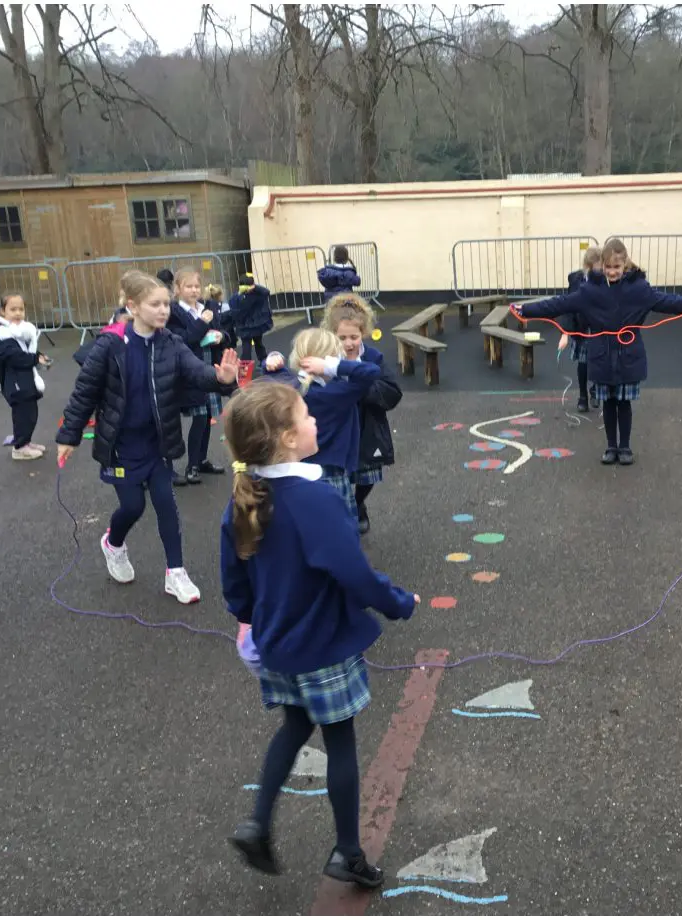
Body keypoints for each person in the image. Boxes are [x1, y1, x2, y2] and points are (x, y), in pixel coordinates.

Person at [220, 381, 419, 885]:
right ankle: (348, 852)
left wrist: (254, 620)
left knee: (293, 726)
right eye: (306, 416)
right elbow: (354, 573)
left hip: (277, 644)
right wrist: (399, 603)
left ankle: (258, 822)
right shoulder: (314, 499)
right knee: (340, 741)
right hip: (324, 646)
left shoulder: (246, 498)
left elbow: (235, 581)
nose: (315, 422)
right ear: (287, 438)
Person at [56, 270, 239, 605]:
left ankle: (176, 572)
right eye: (155, 304)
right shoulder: (110, 345)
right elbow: (84, 392)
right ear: (133, 306)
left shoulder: (171, 343)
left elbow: (196, 372)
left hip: (157, 442)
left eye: (166, 304)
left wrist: (221, 379)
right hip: (121, 445)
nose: (163, 310)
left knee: (166, 503)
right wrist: (69, 435)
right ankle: (113, 543)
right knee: (133, 506)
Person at [515, 237, 682, 466]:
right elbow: (559, 304)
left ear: (625, 264)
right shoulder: (590, 291)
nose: (612, 271)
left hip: (628, 354)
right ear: (602, 265)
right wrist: (526, 310)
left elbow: (672, 301)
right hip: (601, 354)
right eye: (608, 266)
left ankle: (625, 447)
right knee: (608, 402)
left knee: (624, 403)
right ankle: (610, 446)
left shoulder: (639, 289)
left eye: (617, 266)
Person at [262, 329, 382, 526]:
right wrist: (331, 366)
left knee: (308, 526)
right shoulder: (337, 392)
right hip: (332, 474)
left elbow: (271, 377)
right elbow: (372, 371)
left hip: (298, 470)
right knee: (341, 528)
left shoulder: (291, 386)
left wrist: (270, 362)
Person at [321, 294, 402, 534]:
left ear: (363, 333)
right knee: (341, 476)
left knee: (367, 476)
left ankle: (358, 503)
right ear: (332, 335)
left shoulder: (372, 358)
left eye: (354, 337)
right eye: (342, 338)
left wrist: (361, 386)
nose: (348, 344)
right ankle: (345, 510)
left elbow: (392, 392)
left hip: (367, 428)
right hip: (338, 429)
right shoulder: (326, 359)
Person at [167, 267, 227, 485]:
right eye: (188, 286)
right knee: (200, 417)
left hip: (211, 368)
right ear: (177, 289)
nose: (194, 290)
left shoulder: (207, 307)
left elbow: (226, 332)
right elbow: (186, 339)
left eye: (196, 286)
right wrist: (202, 322)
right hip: (192, 373)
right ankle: (192, 465)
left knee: (208, 416)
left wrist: (221, 336)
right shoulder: (174, 314)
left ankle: (201, 460)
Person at [0, 293, 51, 460]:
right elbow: (16, 356)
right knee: (22, 416)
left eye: (21, 309)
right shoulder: (4, 334)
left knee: (31, 414)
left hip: (26, 380)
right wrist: (35, 359)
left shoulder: (24, 332)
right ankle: (19, 447)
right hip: (16, 383)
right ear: (3, 312)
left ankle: (26, 441)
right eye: (13, 309)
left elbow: (28, 351)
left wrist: (39, 356)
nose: (18, 313)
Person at [557, 245, 603, 412]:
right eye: (596, 269)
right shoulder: (577, 282)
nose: (599, 273)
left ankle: (595, 389)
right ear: (587, 267)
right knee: (583, 363)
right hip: (582, 328)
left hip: (600, 327)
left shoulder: (606, 280)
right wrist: (565, 334)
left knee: (600, 360)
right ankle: (583, 396)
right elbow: (568, 307)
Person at [229, 273, 273, 363]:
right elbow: (233, 305)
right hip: (246, 325)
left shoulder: (257, 294)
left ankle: (262, 360)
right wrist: (242, 293)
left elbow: (266, 292)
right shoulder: (238, 297)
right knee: (247, 347)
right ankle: (247, 363)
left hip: (253, 325)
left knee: (258, 343)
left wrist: (255, 287)